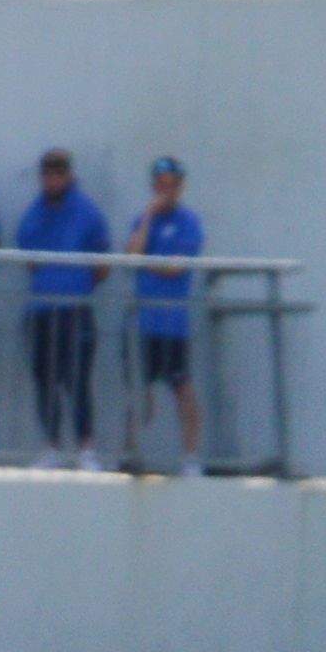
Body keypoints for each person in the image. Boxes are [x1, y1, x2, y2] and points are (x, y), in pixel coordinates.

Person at [8, 146, 115, 463]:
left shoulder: (87, 211)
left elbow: (103, 263)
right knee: (45, 380)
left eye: (58, 172)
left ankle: (86, 448)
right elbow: (28, 258)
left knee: (78, 380)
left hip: (75, 310)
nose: (52, 179)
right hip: (41, 312)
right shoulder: (34, 213)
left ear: (69, 175)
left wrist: (76, 285)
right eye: (47, 173)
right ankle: (51, 447)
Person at [124, 156, 209, 465]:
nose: (166, 192)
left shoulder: (190, 223)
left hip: (173, 324)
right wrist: (148, 216)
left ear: (181, 187)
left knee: (182, 389)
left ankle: (190, 457)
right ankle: (131, 454)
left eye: (171, 186)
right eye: (160, 186)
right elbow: (132, 255)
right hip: (143, 323)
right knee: (137, 391)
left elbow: (176, 268)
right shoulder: (144, 220)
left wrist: (150, 262)